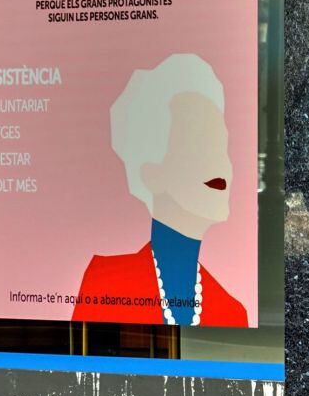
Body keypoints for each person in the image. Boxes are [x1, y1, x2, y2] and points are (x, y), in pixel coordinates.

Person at [71, 53, 247, 327]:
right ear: (151, 171)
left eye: (221, 145)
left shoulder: (233, 312)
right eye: (198, 143)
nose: (218, 161)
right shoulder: (105, 282)